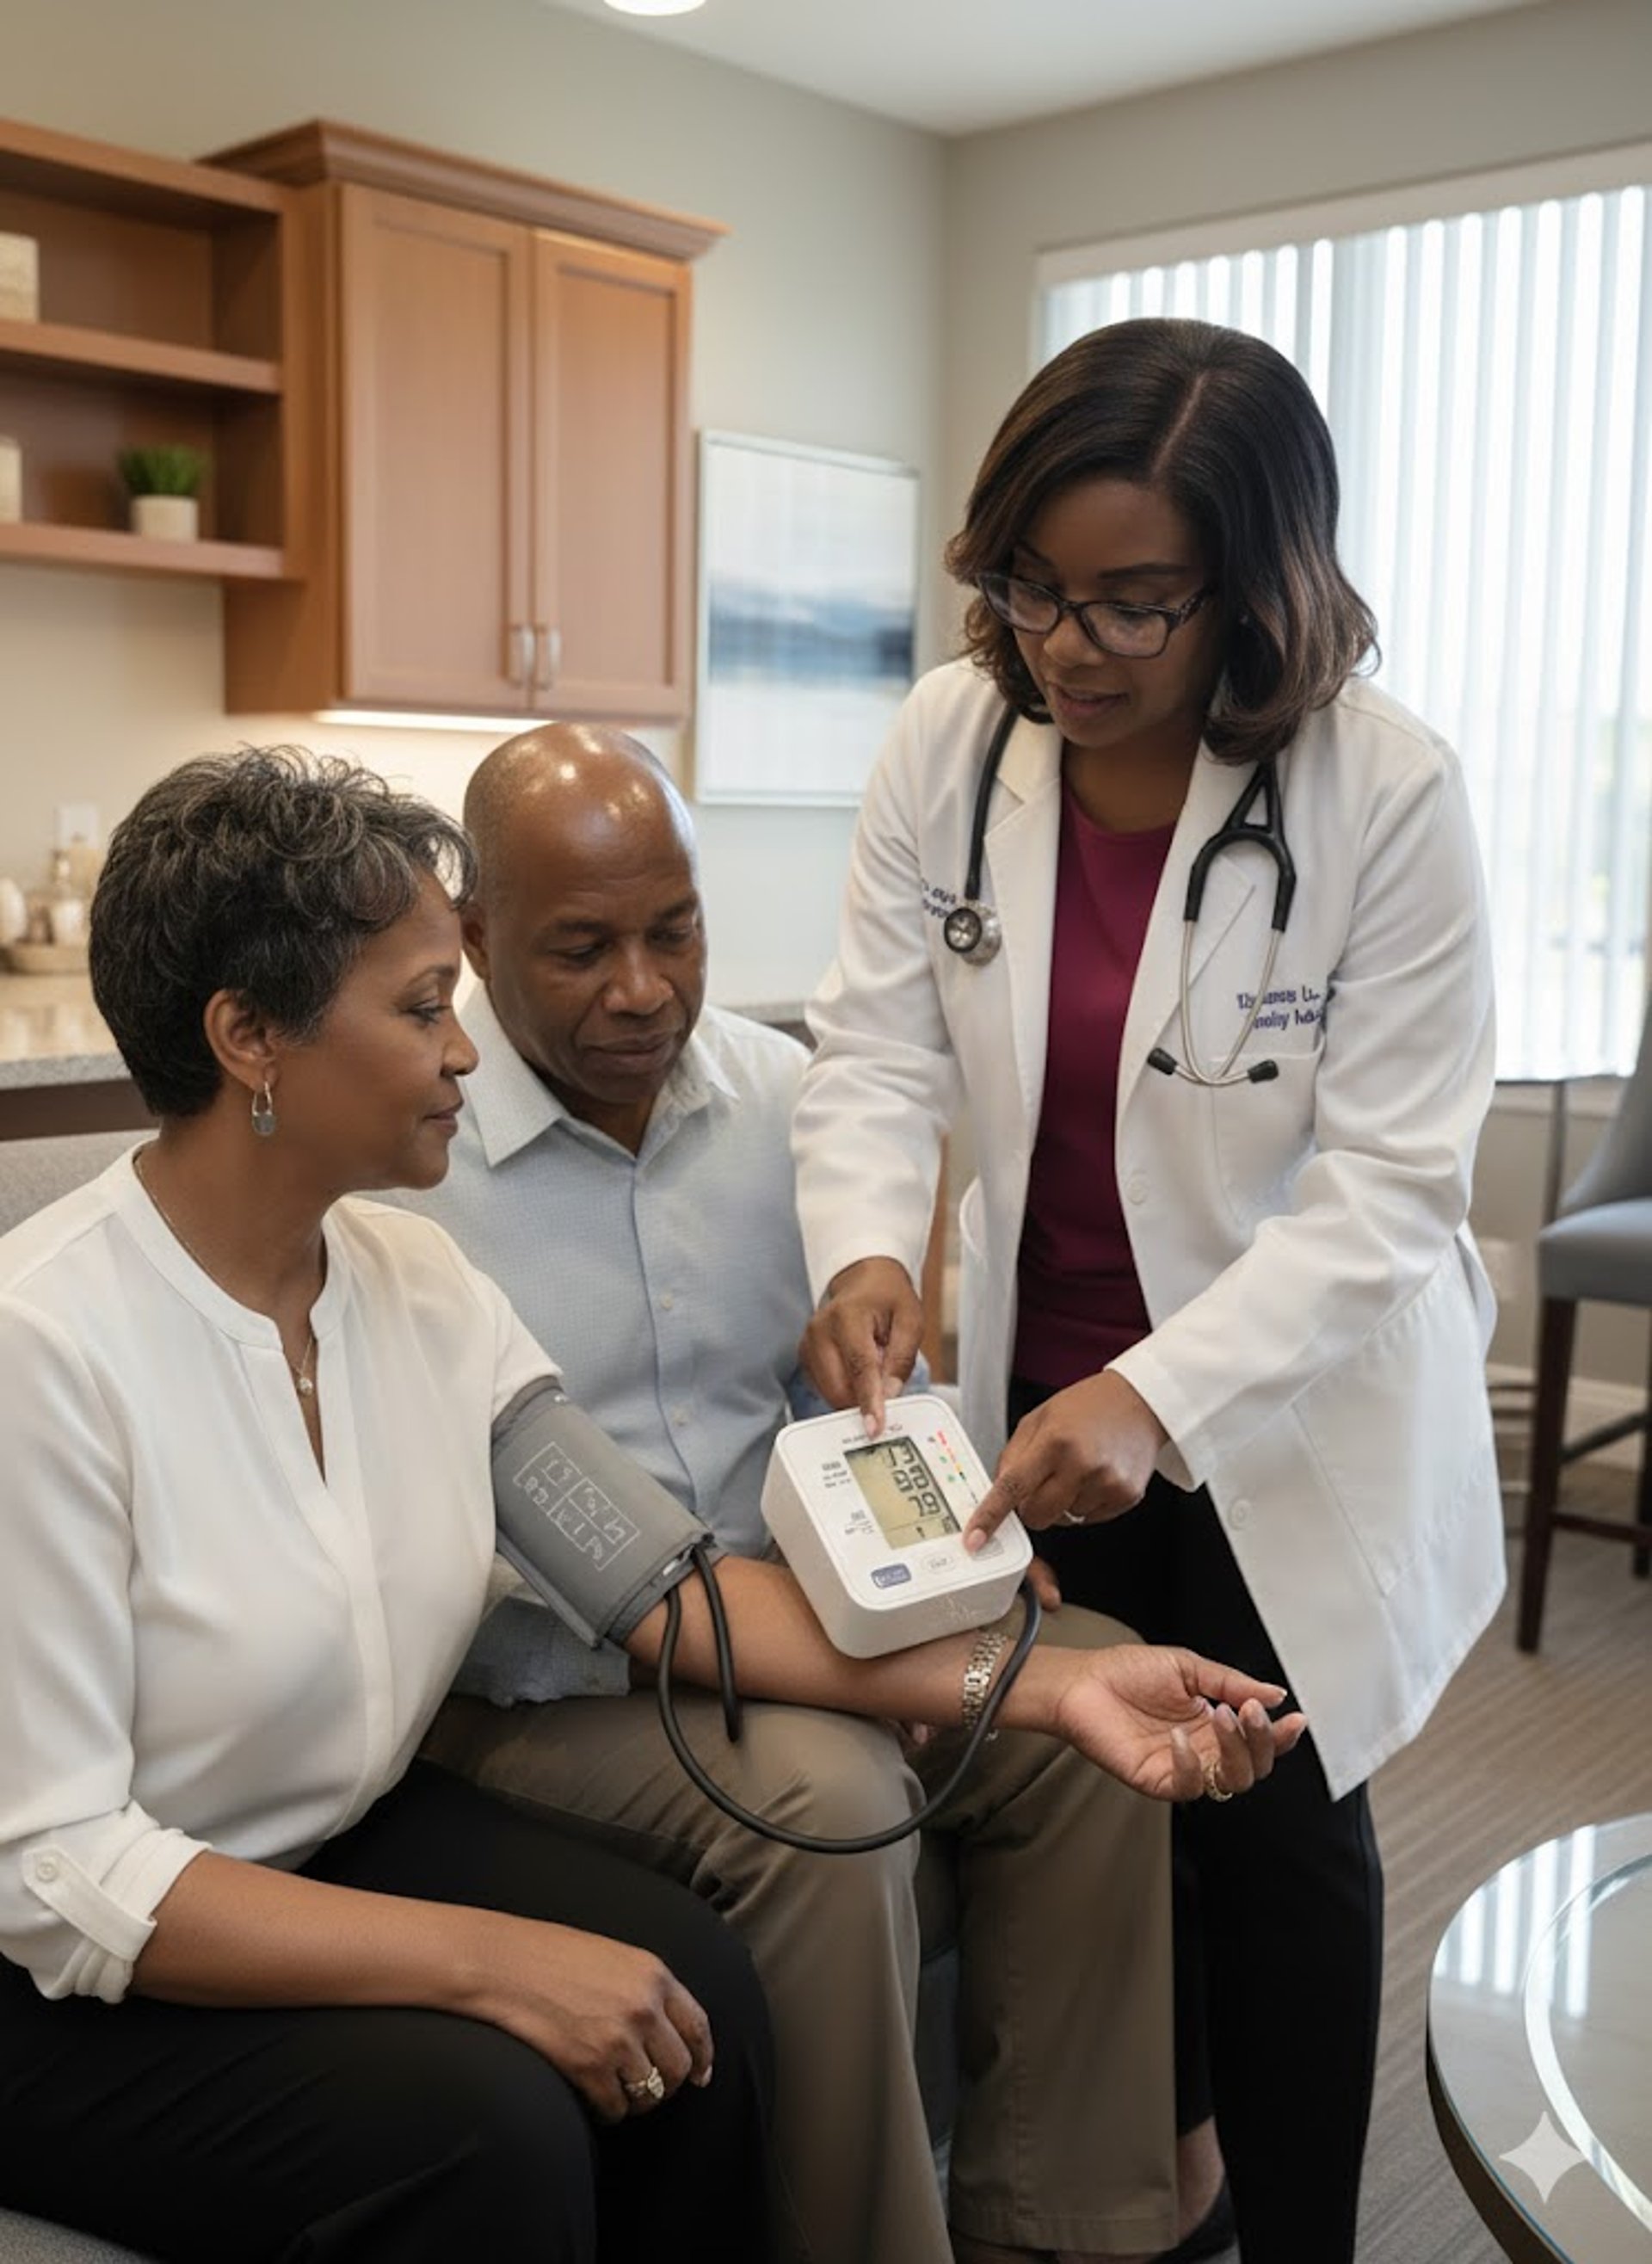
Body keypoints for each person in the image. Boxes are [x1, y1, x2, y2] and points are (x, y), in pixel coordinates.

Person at [0, 746, 1299, 2264]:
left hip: (329, 1838)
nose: (464, 1052)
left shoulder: (419, 1288)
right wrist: (491, 1963)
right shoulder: (46, 1348)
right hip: (76, 1962)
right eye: (425, 1009)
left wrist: (1051, 1691)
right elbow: (61, 1871)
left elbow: (666, 1588)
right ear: (249, 1040)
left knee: (702, 2003)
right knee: (502, 2116)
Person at [793, 318, 1505, 2264]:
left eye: (1133, 603)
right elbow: (870, 1050)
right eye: (1032, 586)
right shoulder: (955, 749)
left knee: (1278, 1832)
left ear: (1257, 588)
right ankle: (1163, 2184)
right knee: (1108, 1800)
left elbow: (1389, 1189)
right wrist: (866, 1240)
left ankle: (1298, 2238)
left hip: (1286, 1406)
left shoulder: (1388, 793)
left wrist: (1162, 1397)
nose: (1066, 644)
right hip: (1040, 1391)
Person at [407, 720, 1281, 2264]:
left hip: (822, 1613)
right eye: (583, 948)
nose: (644, 988)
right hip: (543, 1684)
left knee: (1095, 1716)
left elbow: (878, 1386)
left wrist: (959, 1559)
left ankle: (1071, 2228)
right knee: (826, 1792)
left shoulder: (797, 1106)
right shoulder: (413, 1159)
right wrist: (855, 1665)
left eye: (674, 930)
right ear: (474, 937)